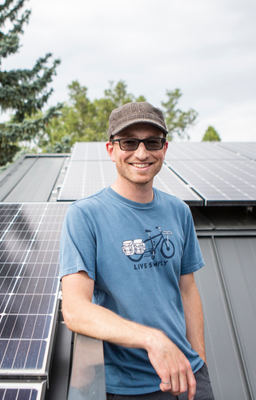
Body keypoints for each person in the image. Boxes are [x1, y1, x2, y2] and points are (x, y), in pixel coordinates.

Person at [59, 102, 214, 400]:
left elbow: (188, 290)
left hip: (188, 377)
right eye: (129, 142)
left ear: (164, 149)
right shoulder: (85, 216)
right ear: (111, 149)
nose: (142, 153)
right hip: (130, 388)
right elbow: (76, 310)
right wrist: (152, 339)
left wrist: (200, 364)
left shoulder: (178, 211)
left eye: (152, 142)